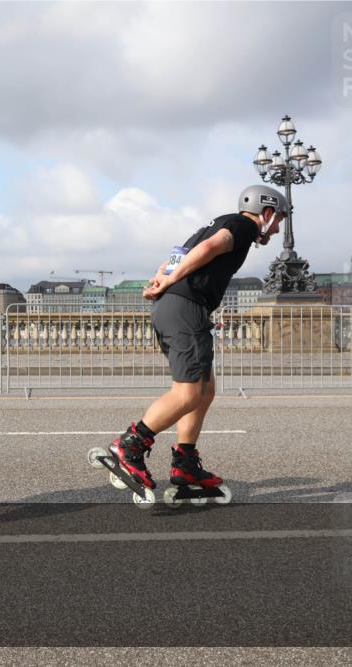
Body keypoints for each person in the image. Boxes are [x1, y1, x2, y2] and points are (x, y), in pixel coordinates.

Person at [109, 184, 287, 496]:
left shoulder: (218, 221)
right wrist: (169, 280)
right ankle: (129, 446)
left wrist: (161, 277)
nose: (276, 231)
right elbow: (207, 250)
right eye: (279, 221)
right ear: (267, 213)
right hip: (185, 307)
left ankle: (185, 464)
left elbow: (175, 257)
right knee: (189, 392)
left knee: (204, 389)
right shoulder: (245, 225)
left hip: (175, 306)